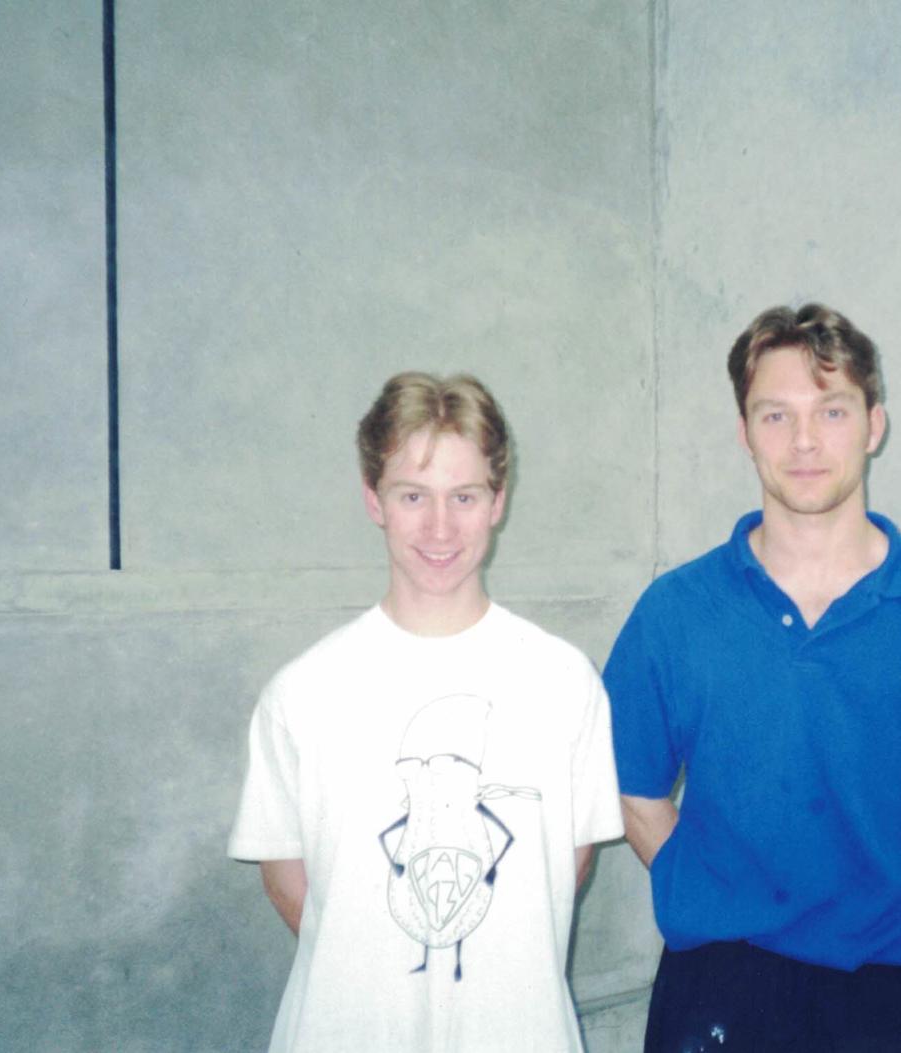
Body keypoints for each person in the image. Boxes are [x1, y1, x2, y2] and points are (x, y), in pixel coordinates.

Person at [604, 305, 901, 1052]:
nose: (805, 441)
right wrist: (706, 880)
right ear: (744, 432)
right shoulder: (676, 612)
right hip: (718, 988)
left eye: (832, 410)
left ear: (874, 424)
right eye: (775, 414)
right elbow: (628, 786)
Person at [229, 372, 622, 1052]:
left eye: (464, 496)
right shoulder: (302, 693)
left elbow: (567, 864)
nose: (440, 527)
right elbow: (293, 888)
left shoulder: (564, 682)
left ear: (498, 501)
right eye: (413, 495)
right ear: (372, 500)